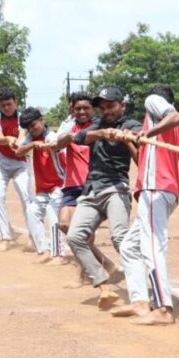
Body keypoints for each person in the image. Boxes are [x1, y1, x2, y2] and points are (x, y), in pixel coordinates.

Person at [111, 85, 179, 325]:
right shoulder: (159, 130)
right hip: (156, 190)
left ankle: (163, 308)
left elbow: (175, 116)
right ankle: (140, 302)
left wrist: (147, 133)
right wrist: (130, 141)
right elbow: (141, 158)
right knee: (130, 247)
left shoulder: (155, 103)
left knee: (152, 247)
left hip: (156, 189)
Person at [66, 86, 142, 309]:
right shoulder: (97, 124)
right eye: (103, 107)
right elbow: (80, 138)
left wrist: (127, 139)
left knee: (120, 238)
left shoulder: (132, 125)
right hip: (91, 191)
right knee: (75, 237)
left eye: (111, 106)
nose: (106, 110)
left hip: (116, 188)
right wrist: (101, 133)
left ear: (122, 106)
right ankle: (104, 288)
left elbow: (140, 157)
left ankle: (144, 287)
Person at [52, 91, 115, 284]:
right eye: (78, 108)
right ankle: (105, 262)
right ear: (73, 109)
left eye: (86, 108)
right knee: (63, 225)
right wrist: (70, 136)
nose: (81, 111)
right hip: (71, 184)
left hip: (91, 186)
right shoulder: (69, 127)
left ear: (92, 109)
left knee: (84, 234)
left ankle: (81, 275)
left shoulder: (99, 127)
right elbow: (57, 145)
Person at [15, 107, 67, 264]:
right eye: (28, 128)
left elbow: (58, 146)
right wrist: (33, 144)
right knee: (32, 212)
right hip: (43, 188)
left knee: (53, 214)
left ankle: (59, 255)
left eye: (34, 125)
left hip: (60, 184)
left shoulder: (53, 136)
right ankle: (43, 251)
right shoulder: (31, 138)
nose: (32, 129)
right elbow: (18, 151)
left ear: (41, 120)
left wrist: (46, 145)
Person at [0, 87, 34, 252]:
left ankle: (33, 237)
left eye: (9, 104)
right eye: (2, 105)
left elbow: (22, 136)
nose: (6, 108)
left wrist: (18, 142)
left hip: (21, 163)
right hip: (2, 161)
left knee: (26, 197)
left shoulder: (24, 118)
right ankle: (5, 237)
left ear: (16, 102)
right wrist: (8, 139)